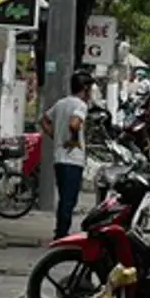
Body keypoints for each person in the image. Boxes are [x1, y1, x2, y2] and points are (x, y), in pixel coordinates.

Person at [40, 72, 93, 239]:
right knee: (69, 200)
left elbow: (44, 119)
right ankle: (62, 234)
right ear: (85, 88)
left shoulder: (61, 103)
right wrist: (74, 138)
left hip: (59, 158)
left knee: (64, 197)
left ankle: (60, 230)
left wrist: (55, 136)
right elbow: (75, 123)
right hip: (73, 159)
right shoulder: (81, 105)